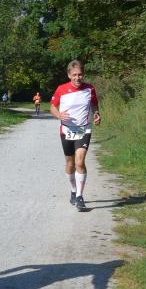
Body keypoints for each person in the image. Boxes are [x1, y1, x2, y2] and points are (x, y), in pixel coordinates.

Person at [49, 60, 101, 211]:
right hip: (66, 130)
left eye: (80, 74)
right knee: (70, 164)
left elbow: (94, 104)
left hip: (84, 129)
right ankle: (73, 190)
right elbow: (52, 107)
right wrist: (59, 115)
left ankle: (79, 196)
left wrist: (97, 114)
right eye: (74, 75)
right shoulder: (61, 89)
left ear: (83, 74)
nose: (78, 78)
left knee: (79, 162)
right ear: (69, 75)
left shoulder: (90, 89)